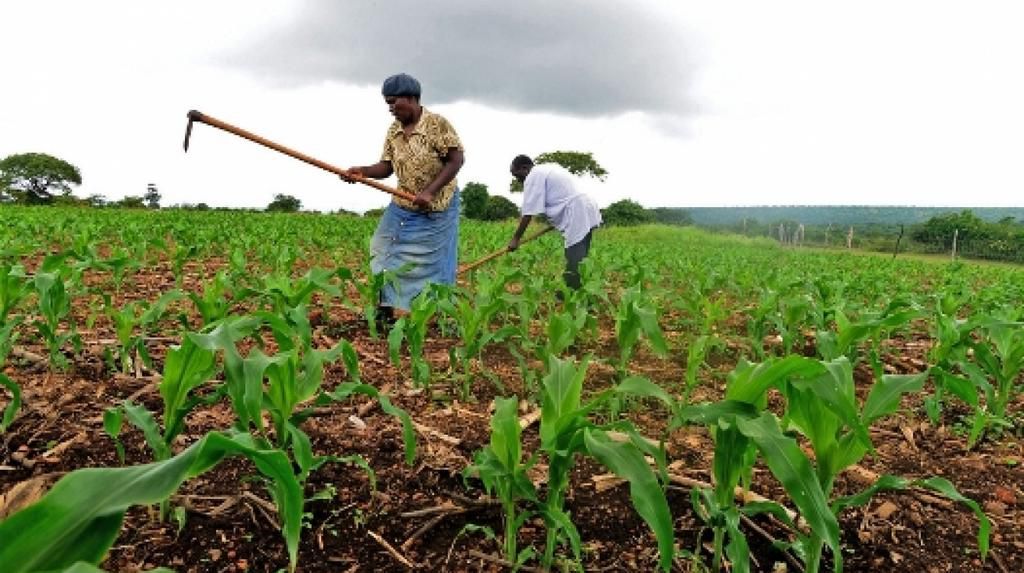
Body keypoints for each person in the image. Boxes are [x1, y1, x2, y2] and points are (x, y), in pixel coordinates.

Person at [343, 73, 465, 318]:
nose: (390, 108)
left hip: (437, 208)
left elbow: (456, 160)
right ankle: (386, 306)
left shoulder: (436, 124)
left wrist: (430, 192)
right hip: (402, 205)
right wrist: (363, 172)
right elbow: (386, 167)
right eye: (387, 103)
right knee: (382, 250)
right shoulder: (393, 130)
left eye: (393, 102)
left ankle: (433, 312)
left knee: (431, 262)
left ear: (411, 98)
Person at [507, 155, 602, 290]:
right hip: (587, 205)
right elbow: (558, 196)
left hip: (577, 209)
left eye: (517, 176)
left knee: (574, 254)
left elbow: (528, 212)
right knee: (582, 251)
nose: (518, 180)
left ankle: (571, 291)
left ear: (524, 168)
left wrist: (516, 239)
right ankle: (577, 289)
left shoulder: (533, 175)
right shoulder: (548, 168)